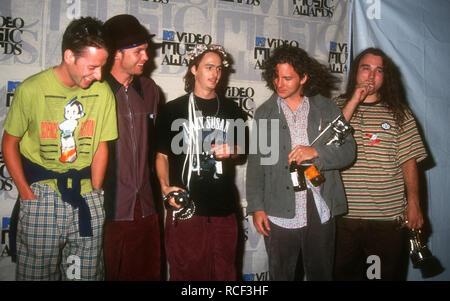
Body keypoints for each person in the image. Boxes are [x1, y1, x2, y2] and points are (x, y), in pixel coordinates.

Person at [1, 16, 117, 280]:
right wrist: (27, 194)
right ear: (69, 56)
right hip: (41, 196)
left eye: (103, 66)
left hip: (87, 197)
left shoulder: (103, 92)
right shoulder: (32, 89)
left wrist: (96, 193)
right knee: (36, 276)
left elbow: (101, 146)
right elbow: (9, 143)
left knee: (84, 276)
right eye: (92, 67)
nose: (99, 75)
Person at [246, 45, 356, 281]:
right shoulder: (265, 113)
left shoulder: (326, 107)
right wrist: (257, 207)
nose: (279, 83)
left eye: (287, 78)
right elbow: (256, 165)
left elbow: (348, 151)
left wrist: (315, 151)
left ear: (304, 77)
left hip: (320, 208)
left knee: (321, 274)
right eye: (276, 76)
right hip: (279, 211)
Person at [334, 48, 427, 280]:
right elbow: (328, 142)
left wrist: (414, 203)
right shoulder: (334, 107)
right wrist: (354, 99)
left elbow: (409, 162)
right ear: (356, 72)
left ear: (386, 77)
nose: (371, 76)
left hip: (387, 220)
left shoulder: (400, 113)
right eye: (366, 68)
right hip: (343, 218)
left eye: (379, 71)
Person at [155, 44, 247, 280]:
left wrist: (232, 150)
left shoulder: (232, 109)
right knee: (186, 275)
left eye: (218, 68)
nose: (215, 73)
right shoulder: (173, 110)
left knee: (225, 275)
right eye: (208, 67)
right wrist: (165, 188)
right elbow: (162, 155)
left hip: (224, 209)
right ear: (194, 69)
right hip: (186, 209)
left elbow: (243, 150)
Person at [102, 14, 161, 281]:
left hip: (147, 209)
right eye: (138, 51)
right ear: (116, 54)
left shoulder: (150, 89)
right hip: (108, 211)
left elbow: (157, 149)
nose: (146, 57)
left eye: (146, 50)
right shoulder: (95, 89)